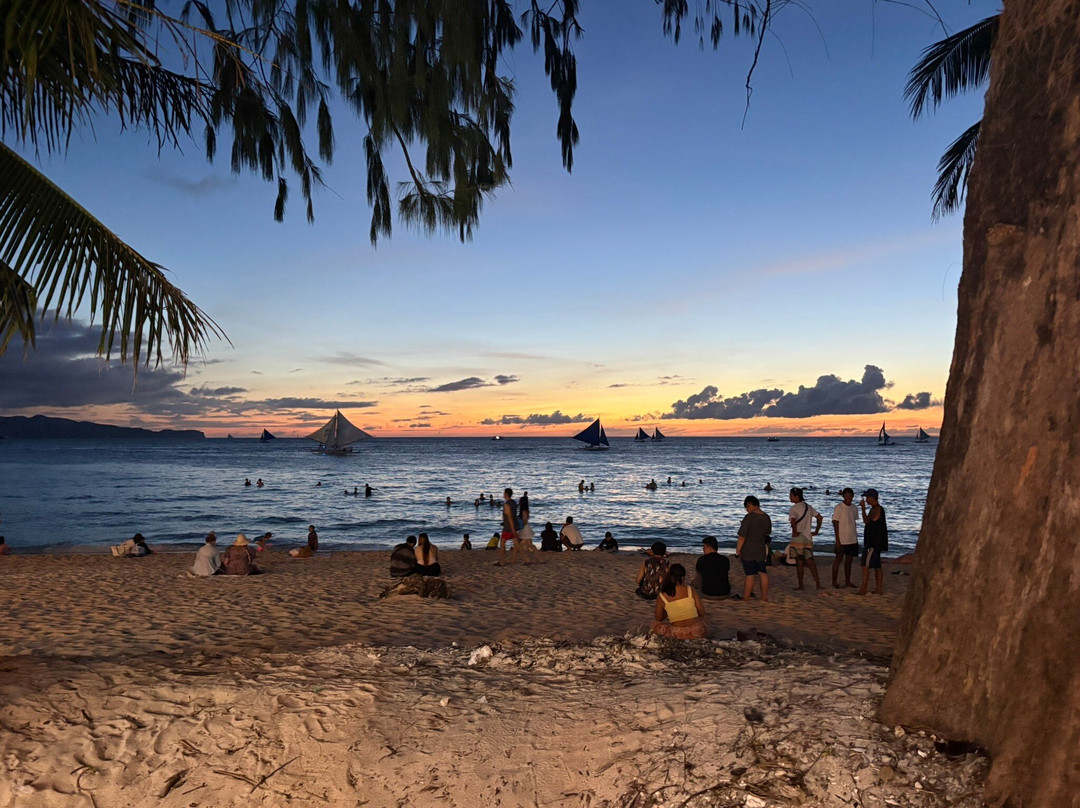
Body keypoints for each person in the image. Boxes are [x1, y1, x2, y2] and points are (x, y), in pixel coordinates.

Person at [651, 564, 708, 639]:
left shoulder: (662, 596)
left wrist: (667, 611)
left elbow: (658, 618)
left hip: (677, 633)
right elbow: (702, 612)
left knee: (655, 624)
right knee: (702, 620)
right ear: (683, 578)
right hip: (695, 631)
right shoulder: (690, 589)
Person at [736, 496, 772, 602]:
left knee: (750, 574)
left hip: (748, 549)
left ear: (750, 505)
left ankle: (746, 597)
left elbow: (742, 536)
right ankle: (764, 597)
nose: (747, 510)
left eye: (747, 507)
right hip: (760, 549)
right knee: (762, 572)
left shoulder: (749, 517)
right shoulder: (766, 517)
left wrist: (738, 550)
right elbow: (768, 532)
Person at [788, 488, 823, 590]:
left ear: (796, 496)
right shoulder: (808, 507)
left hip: (798, 537)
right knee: (810, 560)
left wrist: (795, 531)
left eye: (791, 495)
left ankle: (801, 585)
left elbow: (793, 521)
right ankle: (818, 584)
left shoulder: (793, 509)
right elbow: (820, 518)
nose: (790, 497)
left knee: (799, 561)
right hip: (808, 537)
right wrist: (816, 530)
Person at [858, 489, 888, 595]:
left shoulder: (876, 509)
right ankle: (878, 588)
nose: (866, 500)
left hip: (873, 542)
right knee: (876, 565)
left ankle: (863, 589)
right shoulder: (876, 509)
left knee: (865, 565)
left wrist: (863, 509)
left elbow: (866, 520)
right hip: (876, 541)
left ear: (871, 498)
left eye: (867, 498)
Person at [831, 488, 860, 588]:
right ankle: (834, 581)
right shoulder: (839, 507)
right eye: (846, 495)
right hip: (842, 538)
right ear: (843, 496)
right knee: (838, 559)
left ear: (852, 496)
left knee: (849, 561)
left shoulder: (854, 508)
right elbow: (835, 523)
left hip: (852, 538)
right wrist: (837, 540)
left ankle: (847, 581)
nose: (848, 497)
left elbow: (853, 521)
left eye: (850, 495)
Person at [497, 487, 520, 566]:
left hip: (508, 527)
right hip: (513, 525)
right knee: (516, 543)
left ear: (506, 494)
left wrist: (512, 529)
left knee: (502, 543)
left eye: (504, 493)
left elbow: (509, 517)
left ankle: (502, 561)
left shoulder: (506, 504)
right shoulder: (513, 502)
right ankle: (515, 560)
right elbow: (514, 515)